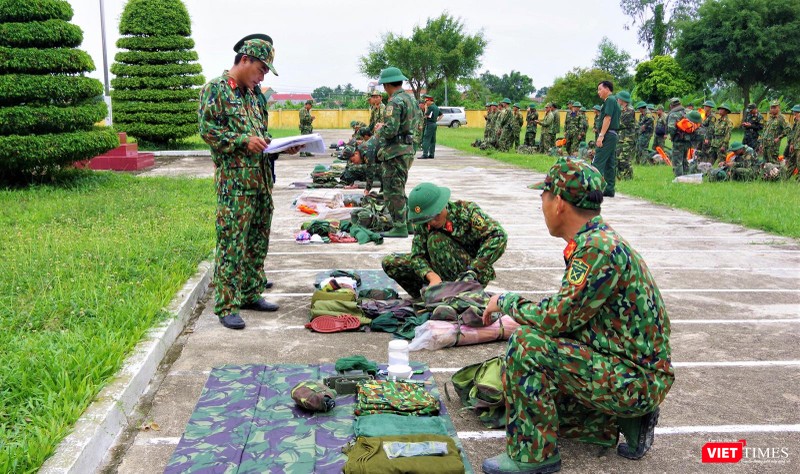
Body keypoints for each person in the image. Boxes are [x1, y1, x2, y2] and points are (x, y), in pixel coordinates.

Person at [480, 159, 673, 474]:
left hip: (635, 380)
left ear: (558, 203)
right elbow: (570, 314)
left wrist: (506, 301)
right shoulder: (596, 240)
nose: (541, 205)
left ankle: (533, 456)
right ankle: (624, 420)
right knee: (539, 400)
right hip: (628, 368)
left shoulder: (597, 249)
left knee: (527, 347)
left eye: (543, 197)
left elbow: (558, 319)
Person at [199, 37, 300, 330]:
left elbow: (261, 135)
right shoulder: (215, 90)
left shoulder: (255, 95)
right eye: (261, 68)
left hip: (261, 180)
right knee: (232, 243)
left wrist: (280, 146)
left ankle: (250, 292)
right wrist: (243, 141)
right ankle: (227, 304)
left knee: (258, 239)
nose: (263, 75)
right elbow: (208, 131)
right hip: (235, 184)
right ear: (244, 60)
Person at [382, 182, 508, 298]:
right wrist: (431, 276)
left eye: (434, 216)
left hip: (470, 274)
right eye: (426, 219)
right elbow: (417, 255)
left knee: (436, 240)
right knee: (391, 262)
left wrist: (473, 270)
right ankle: (429, 296)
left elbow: (499, 236)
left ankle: (455, 295)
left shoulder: (466, 212)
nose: (431, 222)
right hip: (439, 267)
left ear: (442, 205)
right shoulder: (423, 222)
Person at [374, 66, 422, 238]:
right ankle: (408, 223)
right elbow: (418, 126)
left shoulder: (394, 102)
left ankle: (400, 226)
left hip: (395, 152)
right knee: (399, 188)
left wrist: (380, 128)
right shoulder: (411, 100)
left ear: (387, 85)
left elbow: (390, 131)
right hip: (407, 150)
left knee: (392, 190)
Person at [593, 81, 620, 196]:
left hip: (607, 134)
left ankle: (593, 189)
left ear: (607, 89)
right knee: (609, 163)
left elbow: (607, 118)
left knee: (598, 161)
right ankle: (609, 189)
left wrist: (601, 135)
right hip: (612, 135)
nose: (598, 92)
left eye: (600, 89)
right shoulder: (613, 101)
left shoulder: (609, 100)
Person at [616, 91, 635, 180]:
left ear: (623, 100)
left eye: (619, 98)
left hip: (628, 138)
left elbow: (621, 124)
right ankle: (621, 176)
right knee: (619, 158)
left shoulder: (630, 110)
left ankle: (628, 177)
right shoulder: (621, 110)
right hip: (621, 138)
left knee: (625, 158)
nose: (617, 100)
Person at [420, 94, 442, 159]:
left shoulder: (431, 107)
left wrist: (426, 108)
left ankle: (425, 154)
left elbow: (426, 115)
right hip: (434, 124)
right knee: (433, 140)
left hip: (429, 124)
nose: (426, 103)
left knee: (426, 139)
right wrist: (436, 120)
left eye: (426, 101)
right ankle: (431, 154)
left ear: (429, 101)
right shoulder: (436, 107)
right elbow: (441, 115)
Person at [787, 105, 800, 177]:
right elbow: (794, 134)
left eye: (796, 112)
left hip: (799, 147)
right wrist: (791, 144)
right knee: (791, 162)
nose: (794, 114)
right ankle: (784, 178)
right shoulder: (796, 122)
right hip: (795, 146)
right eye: (794, 112)